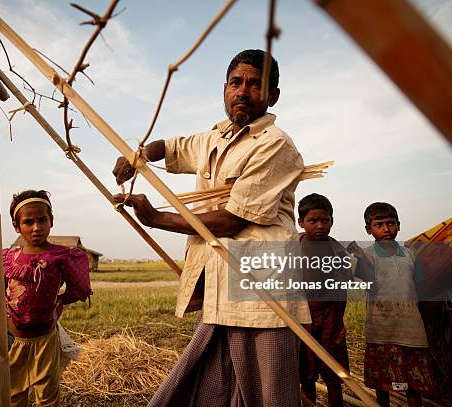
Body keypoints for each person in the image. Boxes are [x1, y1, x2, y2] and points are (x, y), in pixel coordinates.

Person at [113, 49, 311, 406]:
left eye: (255, 84)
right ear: (224, 89)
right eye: (236, 82)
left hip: (261, 288)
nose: (243, 91)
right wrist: (138, 155)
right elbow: (170, 147)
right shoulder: (214, 137)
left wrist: (156, 218)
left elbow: (231, 220)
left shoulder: (275, 144)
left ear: (273, 96)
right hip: (220, 287)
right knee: (212, 387)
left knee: (270, 394)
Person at [3, 189, 91, 407]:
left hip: (45, 338)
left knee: (47, 394)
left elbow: (78, 288)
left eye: (42, 220)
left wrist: (56, 302)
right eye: (28, 222)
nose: (36, 227)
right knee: (13, 393)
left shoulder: (62, 256)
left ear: (51, 221)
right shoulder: (8, 258)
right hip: (13, 339)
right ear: (17, 226)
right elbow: (1, 291)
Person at [348, 202, 437, 407]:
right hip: (382, 329)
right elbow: (371, 286)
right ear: (368, 229)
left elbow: (420, 286)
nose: (386, 229)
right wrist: (361, 258)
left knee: (414, 384)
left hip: (411, 329)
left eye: (391, 223)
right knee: (384, 383)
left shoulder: (409, 254)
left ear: (399, 225)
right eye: (379, 224)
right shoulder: (367, 255)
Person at [297, 193, 351, 407]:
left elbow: (343, 288)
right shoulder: (293, 246)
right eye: (313, 221)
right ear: (301, 222)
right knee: (306, 375)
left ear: (332, 221)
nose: (320, 225)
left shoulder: (337, 250)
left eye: (325, 220)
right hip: (304, 319)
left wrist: (339, 321)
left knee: (334, 374)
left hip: (331, 318)